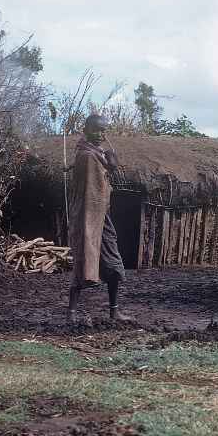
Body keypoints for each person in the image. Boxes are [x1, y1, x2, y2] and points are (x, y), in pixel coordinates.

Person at [67, 114, 135, 325]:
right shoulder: (86, 156)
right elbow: (91, 192)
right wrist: (108, 166)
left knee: (114, 263)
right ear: (86, 129)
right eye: (97, 129)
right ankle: (71, 314)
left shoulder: (98, 155)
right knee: (84, 262)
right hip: (87, 218)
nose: (101, 134)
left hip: (101, 218)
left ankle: (114, 311)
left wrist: (109, 165)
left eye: (104, 130)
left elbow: (102, 188)